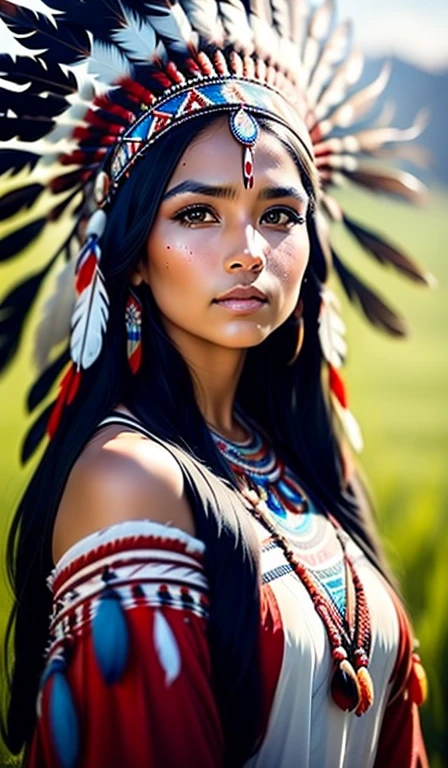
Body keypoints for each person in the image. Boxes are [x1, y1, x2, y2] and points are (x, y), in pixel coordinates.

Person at [0, 1, 430, 766]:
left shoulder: (307, 471)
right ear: (130, 253)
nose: (249, 253)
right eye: (199, 213)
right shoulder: (129, 482)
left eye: (279, 214)